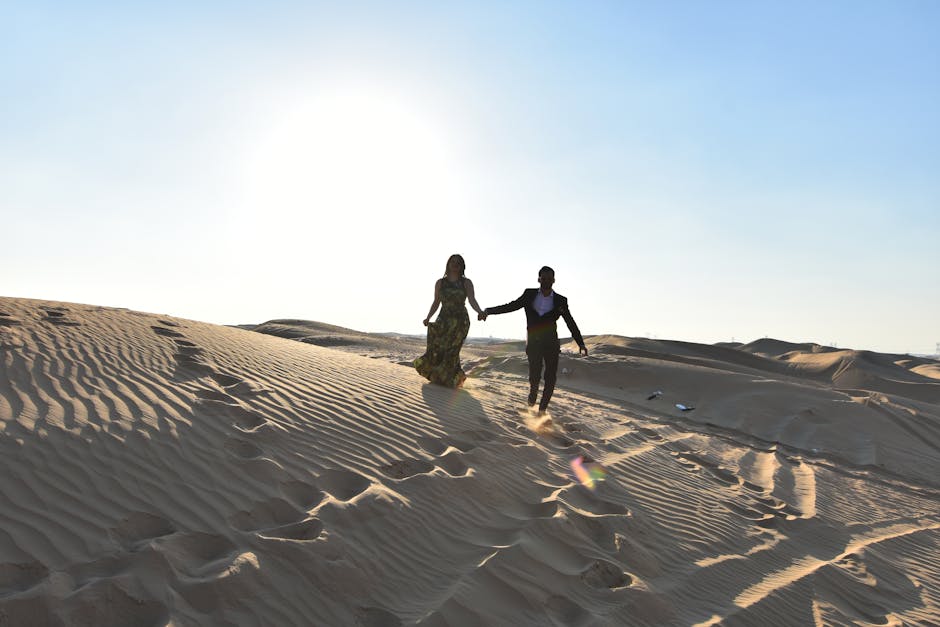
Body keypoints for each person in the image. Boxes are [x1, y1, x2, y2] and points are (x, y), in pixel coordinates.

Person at [480, 266, 587, 413]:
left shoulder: (560, 300)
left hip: (551, 343)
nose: (547, 281)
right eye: (544, 278)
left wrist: (580, 343)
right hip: (534, 342)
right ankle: (532, 398)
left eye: (550, 279)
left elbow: (570, 321)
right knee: (534, 376)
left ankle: (542, 410)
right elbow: (511, 306)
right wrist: (489, 311)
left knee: (550, 377)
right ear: (539, 279)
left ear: (554, 280)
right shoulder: (529, 294)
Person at [414, 254, 485, 388]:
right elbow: (436, 301)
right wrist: (428, 317)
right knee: (438, 348)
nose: (455, 265)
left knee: (452, 350)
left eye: (458, 263)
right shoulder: (440, 282)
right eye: (453, 262)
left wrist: (480, 311)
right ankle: (440, 378)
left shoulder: (466, 282)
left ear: (462, 266)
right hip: (443, 319)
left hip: (460, 321)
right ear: (448, 264)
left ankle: (451, 380)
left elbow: (472, 300)